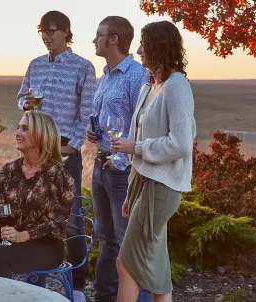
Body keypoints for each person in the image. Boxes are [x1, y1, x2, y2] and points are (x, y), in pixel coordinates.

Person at [110, 20, 196, 302]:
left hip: (162, 186)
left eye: (144, 44)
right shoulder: (149, 86)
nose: (139, 50)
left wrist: (137, 146)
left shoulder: (177, 86)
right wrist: (130, 193)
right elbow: (139, 149)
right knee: (157, 268)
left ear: (159, 46)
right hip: (144, 183)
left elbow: (181, 144)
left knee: (126, 265)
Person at [17, 11, 96, 301]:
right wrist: (25, 103)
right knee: (31, 216)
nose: (47, 36)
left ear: (66, 32)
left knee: (72, 218)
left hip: (64, 151)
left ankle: (76, 286)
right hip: (34, 149)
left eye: (52, 31)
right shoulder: (35, 65)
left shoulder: (83, 67)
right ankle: (34, 283)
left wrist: (71, 148)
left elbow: (87, 112)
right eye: (43, 32)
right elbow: (21, 97)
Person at [85, 16, 152, 302]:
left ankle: (142, 298)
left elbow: (143, 124)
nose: (94, 40)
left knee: (128, 244)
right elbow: (109, 120)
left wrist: (122, 162)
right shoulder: (106, 75)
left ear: (113, 39)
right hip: (101, 166)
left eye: (98, 35)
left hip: (122, 171)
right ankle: (105, 296)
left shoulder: (137, 76)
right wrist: (94, 130)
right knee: (106, 240)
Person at [0, 110, 74, 280]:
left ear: (40, 135)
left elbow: (58, 224)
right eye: (18, 128)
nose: (17, 133)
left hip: (47, 247)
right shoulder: (9, 172)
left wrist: (24, 235)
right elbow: (0, 212)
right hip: (12, 244)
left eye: (24, 129)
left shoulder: (58, 176)